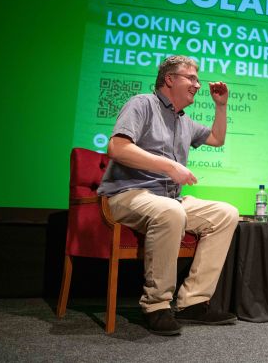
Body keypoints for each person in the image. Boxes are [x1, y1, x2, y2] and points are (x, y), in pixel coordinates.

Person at [98, 55, 239, 336]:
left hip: (167, 200)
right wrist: (169, 166)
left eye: (198, 79)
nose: (197, 85)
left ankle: (193, 302)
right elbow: (117, 148)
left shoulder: (184, 121)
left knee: (226, 213)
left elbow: (217, 138)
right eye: (191, 78)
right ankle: (156, 305)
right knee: (170, 211)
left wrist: (221, 106)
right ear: (170, 79)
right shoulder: (142, 104)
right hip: (128, 194)